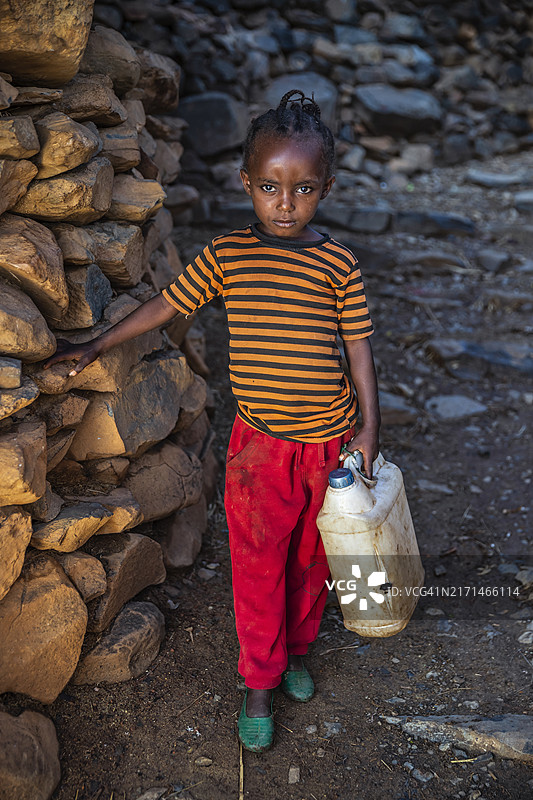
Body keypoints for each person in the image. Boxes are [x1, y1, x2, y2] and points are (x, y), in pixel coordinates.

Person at [44, 89, 380, 753]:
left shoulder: (336, 263)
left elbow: (359, 348)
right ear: (246, 182)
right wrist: (94, 344)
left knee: (313, 561)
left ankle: (295, 653)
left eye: (303, 189)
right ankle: (258, 679)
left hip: (329, 445)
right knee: (258, 562)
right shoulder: (228, 257)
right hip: (257, 448)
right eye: (269, 188)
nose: (284, 205)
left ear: (327, 187)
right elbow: (165, 307)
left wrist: (371, 430)